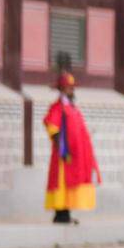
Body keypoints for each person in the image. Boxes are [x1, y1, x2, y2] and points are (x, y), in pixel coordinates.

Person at [43, 66, 100, 224]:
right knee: (61, 182)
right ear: (62, 89)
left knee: (71, 182)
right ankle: (60, 212)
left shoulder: (73, 108)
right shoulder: (57, 108)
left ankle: (66, 212)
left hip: (75, 154)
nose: (71, 90)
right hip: (63, 154)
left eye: (72, 88)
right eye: (68, 88)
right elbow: (52, 126)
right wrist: (61, 148)